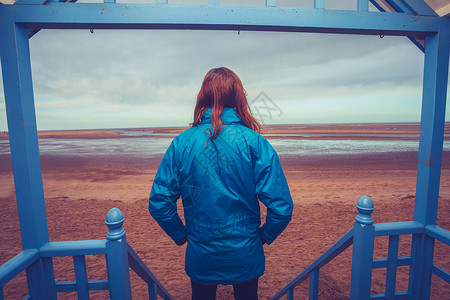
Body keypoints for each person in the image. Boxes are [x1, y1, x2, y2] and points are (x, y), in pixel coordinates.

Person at [149, 67, 293, 300]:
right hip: (245, 252)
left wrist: (182, 235)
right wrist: (264, 235)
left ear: (203, 97)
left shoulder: (182, 143)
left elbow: (159, 203)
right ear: (238, 98)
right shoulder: (255, 142)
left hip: (201, 252)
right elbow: (281, 208)